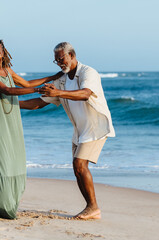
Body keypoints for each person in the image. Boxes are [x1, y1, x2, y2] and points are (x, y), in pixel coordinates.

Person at [20, 42, 115, 220]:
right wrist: (13, 104)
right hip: (79, 130)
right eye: (56, 61)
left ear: (72, 55)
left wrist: (58, 94)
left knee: (80, 165)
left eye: (61, 59)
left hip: (95, 127)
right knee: (77, 168)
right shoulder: (61, 80)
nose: (59, 63)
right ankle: (91, 207)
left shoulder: (88, 72)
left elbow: (85, 93)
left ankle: (93, 208)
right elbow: (41, 102)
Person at [0, 38, 61, 219]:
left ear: (3, 52)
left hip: (12, 118)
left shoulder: (7, 70)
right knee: (4, 162)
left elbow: (26, 84)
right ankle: (3, 208)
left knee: (16, 160)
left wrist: (53, 77)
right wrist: (39, 90)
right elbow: (7, 90)